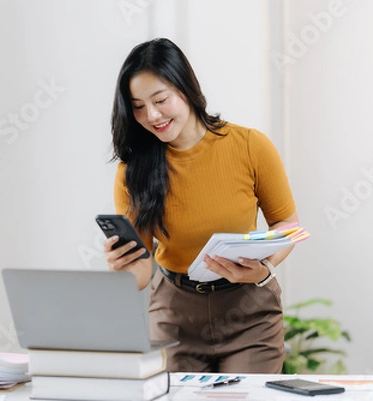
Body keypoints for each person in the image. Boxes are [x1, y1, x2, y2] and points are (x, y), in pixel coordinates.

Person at [104, 37, 299, 373]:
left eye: (160, 99)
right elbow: (141, 269)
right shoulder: (132, 171)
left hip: (248, 310)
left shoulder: (250, 146)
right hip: (174, 316)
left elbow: (287, 225)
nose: (151, 115)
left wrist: (263, 264)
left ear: (186, 88)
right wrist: (123, 268)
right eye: (137, 106)